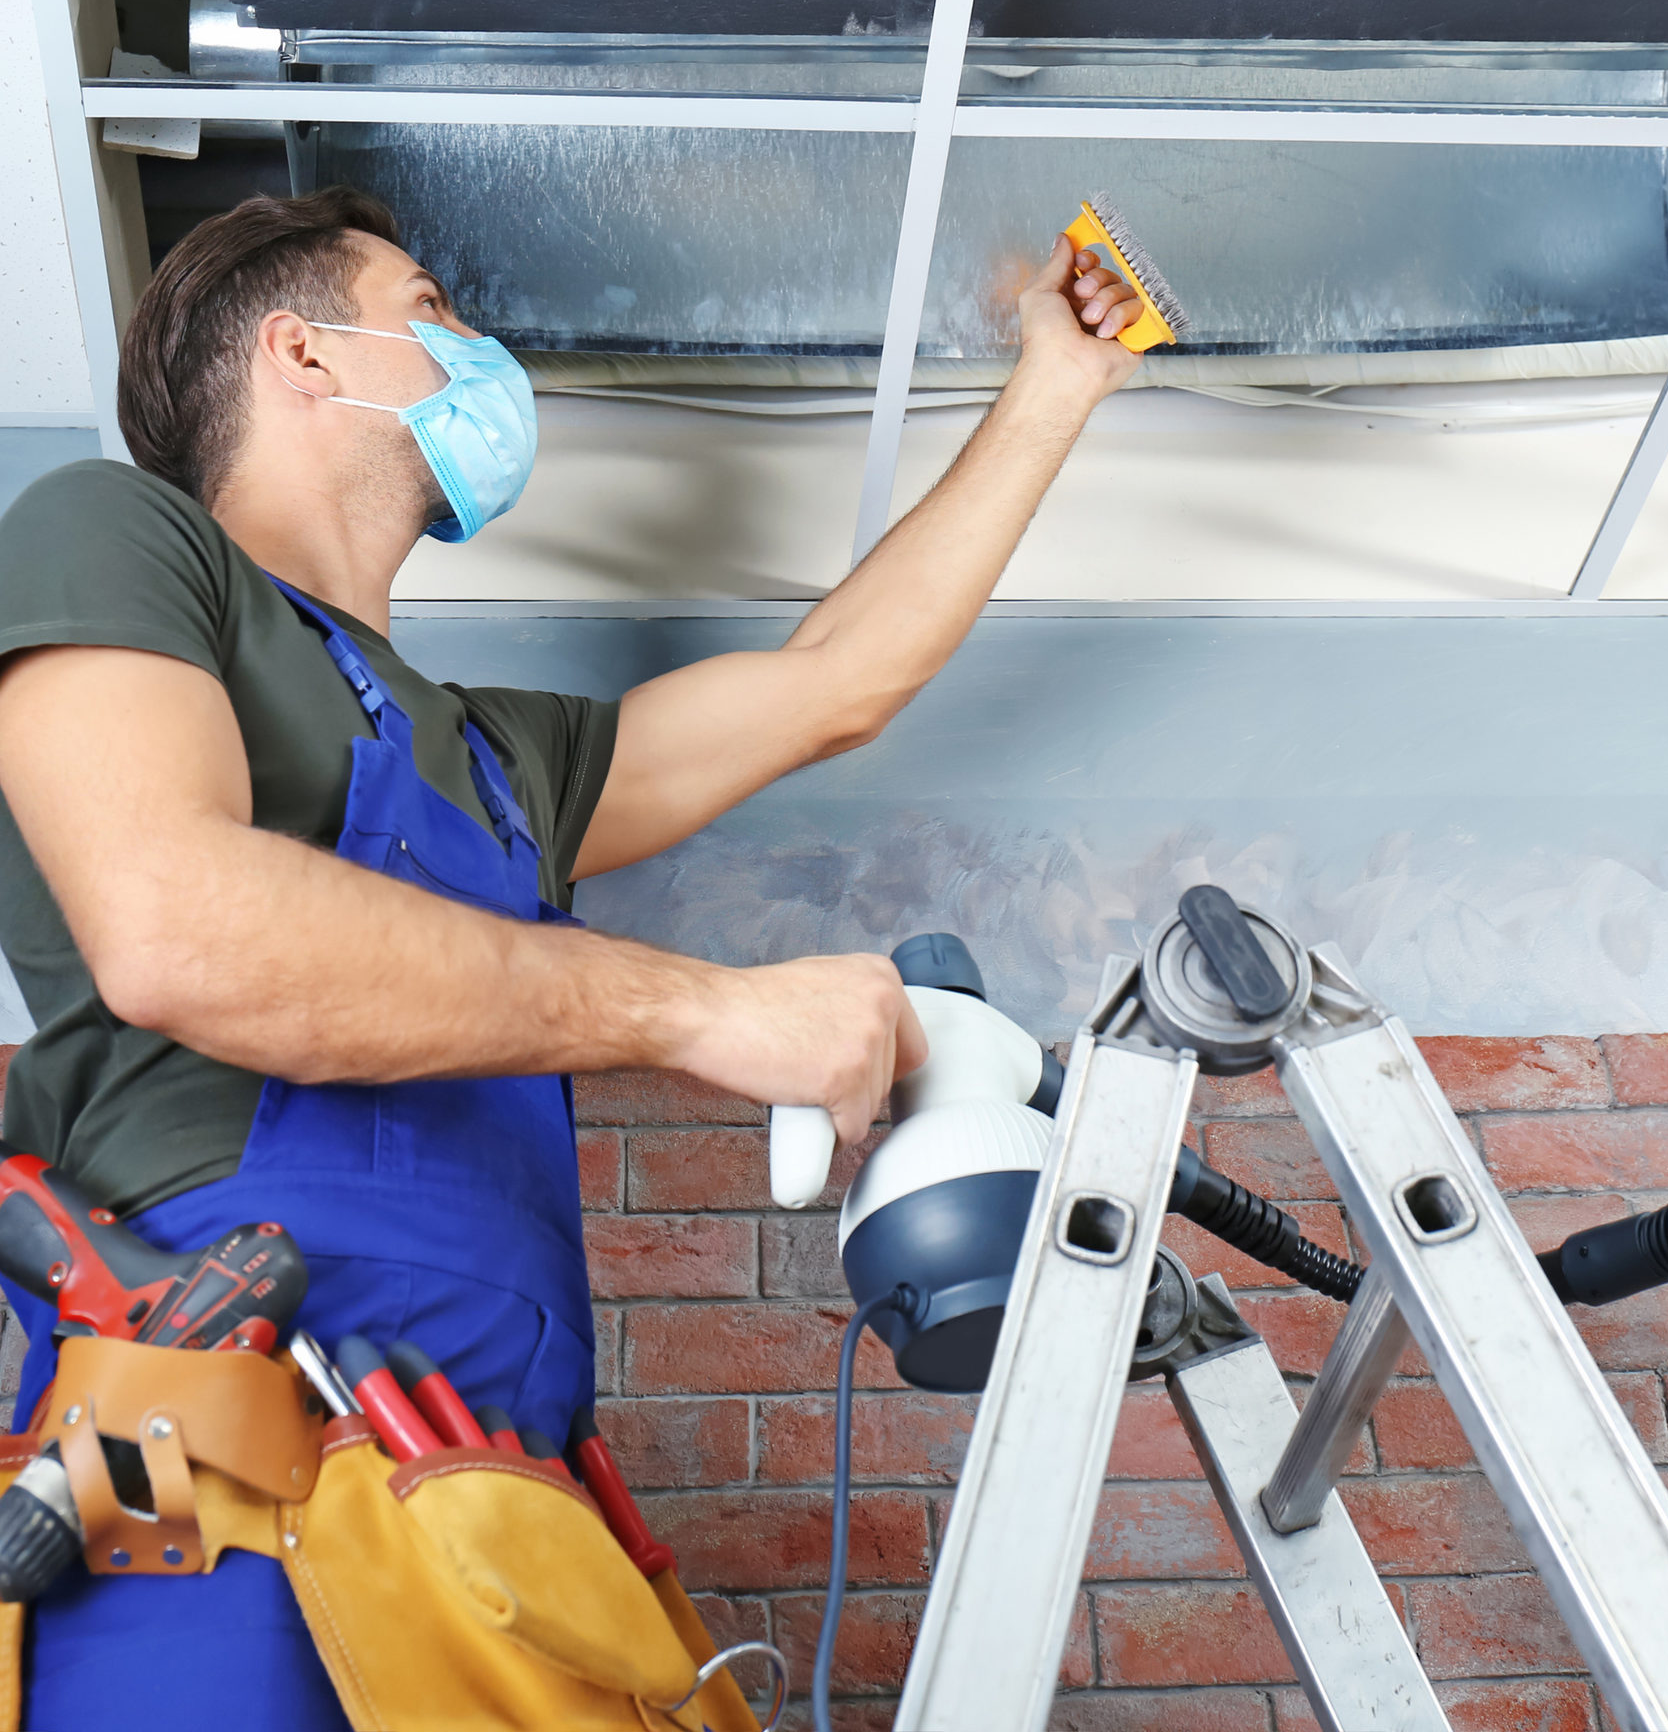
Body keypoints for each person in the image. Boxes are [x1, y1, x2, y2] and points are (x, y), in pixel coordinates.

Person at [0, 185, 1146, 1725]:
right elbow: (174, 926)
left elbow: (835, 685)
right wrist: (697, 1011)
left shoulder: (494, 758)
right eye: (432, 307)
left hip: (509, 1491)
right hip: (214, 1446)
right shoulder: (119, 532)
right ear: (304, 354)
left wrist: (1057, 379)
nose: (482, 347)